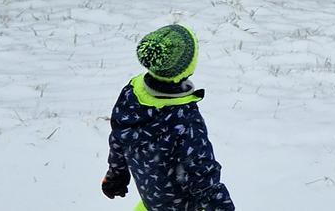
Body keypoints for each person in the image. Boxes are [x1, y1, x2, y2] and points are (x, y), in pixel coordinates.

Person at [101, 24, 235, 211]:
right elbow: (202, 175)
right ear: (186, 68)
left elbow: (119, 135)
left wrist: (117, 173)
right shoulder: (185, 120)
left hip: (152, 201)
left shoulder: (132, 92)